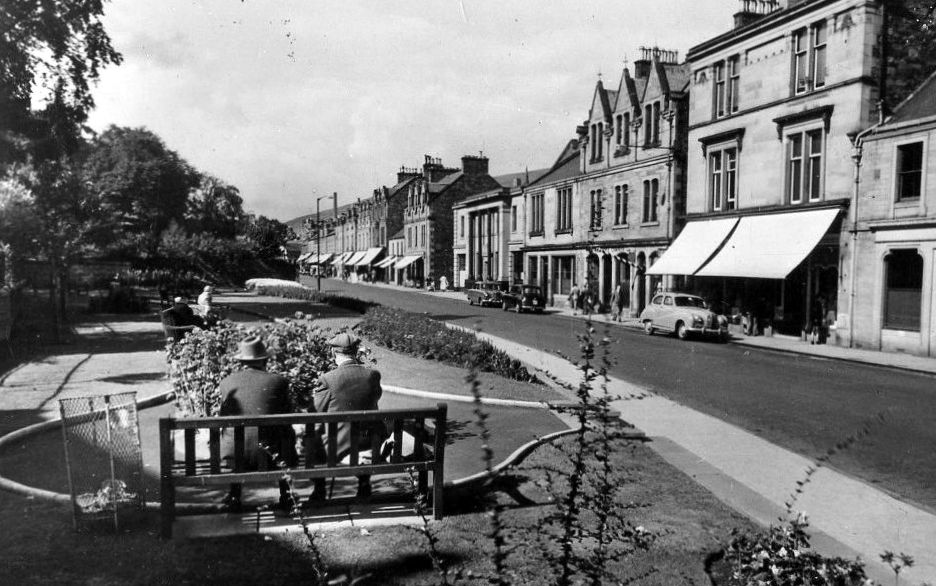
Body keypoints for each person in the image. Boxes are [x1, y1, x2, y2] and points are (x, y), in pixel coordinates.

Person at [218, 336, 297, 511]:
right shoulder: (279, 381)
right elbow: (288, 415)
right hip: (272, 455)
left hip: (235, 457)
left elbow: (223, 416)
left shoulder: (226, 383)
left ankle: (234, 495)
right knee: (284, 434)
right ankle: (286, 494)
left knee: (236, 437)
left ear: (241, 361)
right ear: (265, 360)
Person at [306, 333, 386, 504]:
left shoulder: (327, 379)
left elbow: (316, 411)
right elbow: (376, 399)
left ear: (334, 354)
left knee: (312, 438)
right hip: (368, 443)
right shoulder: (373, 376)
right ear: (355, 352)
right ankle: (364, 483)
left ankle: (319, 489)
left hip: (338, 447)